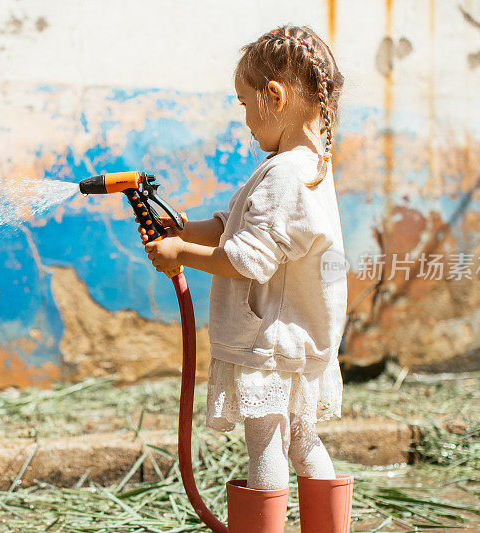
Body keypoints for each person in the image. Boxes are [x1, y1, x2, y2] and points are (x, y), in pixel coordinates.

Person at [138, 24, 352, 533]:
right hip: (297, 342)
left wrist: (181, 253)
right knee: (303, 440)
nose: (246, 122)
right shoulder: (308, 166)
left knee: (266, 446)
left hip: (267, 345)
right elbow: (234, 225)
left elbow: (248, 258)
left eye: (243, 105)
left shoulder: (281, 175)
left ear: (272, 96)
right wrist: (183, 228)